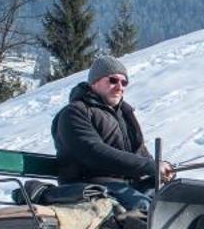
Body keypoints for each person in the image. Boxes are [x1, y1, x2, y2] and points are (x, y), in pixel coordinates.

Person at [51, 55, 174, 213]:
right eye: (113, 80)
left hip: (127, 184)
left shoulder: (124, 114)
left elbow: (139, 151)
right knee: (145, 208)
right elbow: (93, 152)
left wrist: (159, 169)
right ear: (95, 82)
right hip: (90, 185)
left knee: (175, 200)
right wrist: (148, 166)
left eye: (124, 82)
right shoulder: (74, 113)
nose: (119, 87)